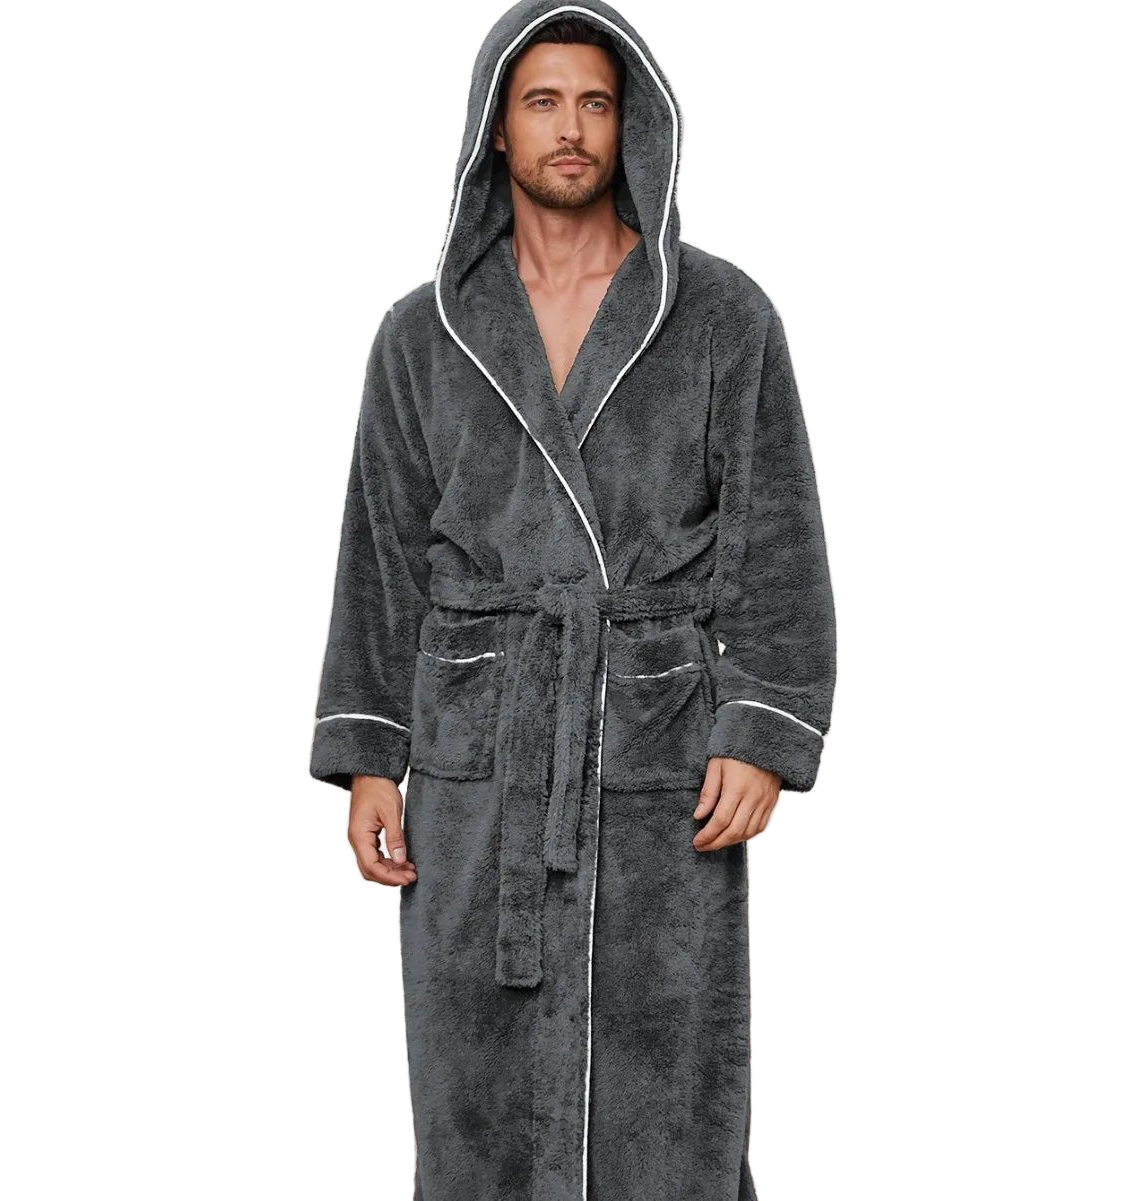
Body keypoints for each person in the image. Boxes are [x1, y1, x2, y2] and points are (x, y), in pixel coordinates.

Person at [309, 0, 837, 1196]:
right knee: (473, 1085)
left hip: (655, 750)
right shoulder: (424, 334)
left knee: (671, 1079)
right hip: (475, 761)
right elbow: (381, 550)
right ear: (495, 128)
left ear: (629, 123)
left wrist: (761, 726)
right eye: (541, 101)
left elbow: (776, 539)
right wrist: (371, 755)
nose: (570, 129)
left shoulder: (720, 316)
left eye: (594, 103)